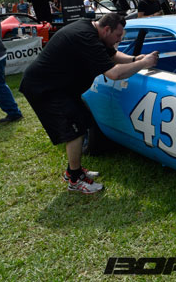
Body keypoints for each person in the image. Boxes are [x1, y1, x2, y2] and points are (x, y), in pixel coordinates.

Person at [19, 13, 159, 193]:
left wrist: (135, 59)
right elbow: (114, 73)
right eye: (118, 35)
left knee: (82, 121)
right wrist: (143, 63)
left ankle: (72, 171)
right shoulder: (85, 37)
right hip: (45, 87)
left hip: (59, 87)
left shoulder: (92, 29)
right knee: (74, 131)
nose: (119, 39)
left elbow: (112, 54)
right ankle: (75, 180)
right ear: (107, 29)